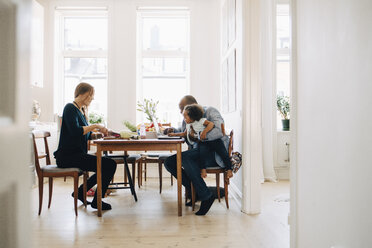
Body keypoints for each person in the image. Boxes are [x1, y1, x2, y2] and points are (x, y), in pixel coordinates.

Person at [54, 82, 117, 211]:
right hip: (67, 157)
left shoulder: (81, 111)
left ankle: (82, 192)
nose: (92, 99)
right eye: (90, 95)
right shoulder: (69, 108)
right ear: (82, 94)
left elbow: (86, 136)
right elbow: (75, 131)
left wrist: (102, 135)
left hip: (76, 155)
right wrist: (95, 126)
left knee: (108, 165)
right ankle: (95, 200)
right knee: (109, 165)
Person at [164, 95, 231, 216]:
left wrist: (199, 136)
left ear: (192, 106)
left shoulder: (211, 111)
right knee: (169, 162)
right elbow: (183, 130)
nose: (180, 112)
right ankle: (196, 190)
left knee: (185, 158)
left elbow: (219, 131)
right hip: (198, 152)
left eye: (182, 108)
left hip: (213, 154)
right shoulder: (188, 118)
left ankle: (205, 195)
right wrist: (172, 130)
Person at [169, 104, 233, 179]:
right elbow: (184, 133)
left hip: (214, 140)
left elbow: (211, 124)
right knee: (202, 153)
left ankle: (229, 169)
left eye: (185, 117)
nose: (184, 119)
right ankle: (203, 169)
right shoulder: (189, 125)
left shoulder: (201, 121)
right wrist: (173, 134)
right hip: (203, 142)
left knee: (222, 151)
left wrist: (205, 131)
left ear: (192, 116)